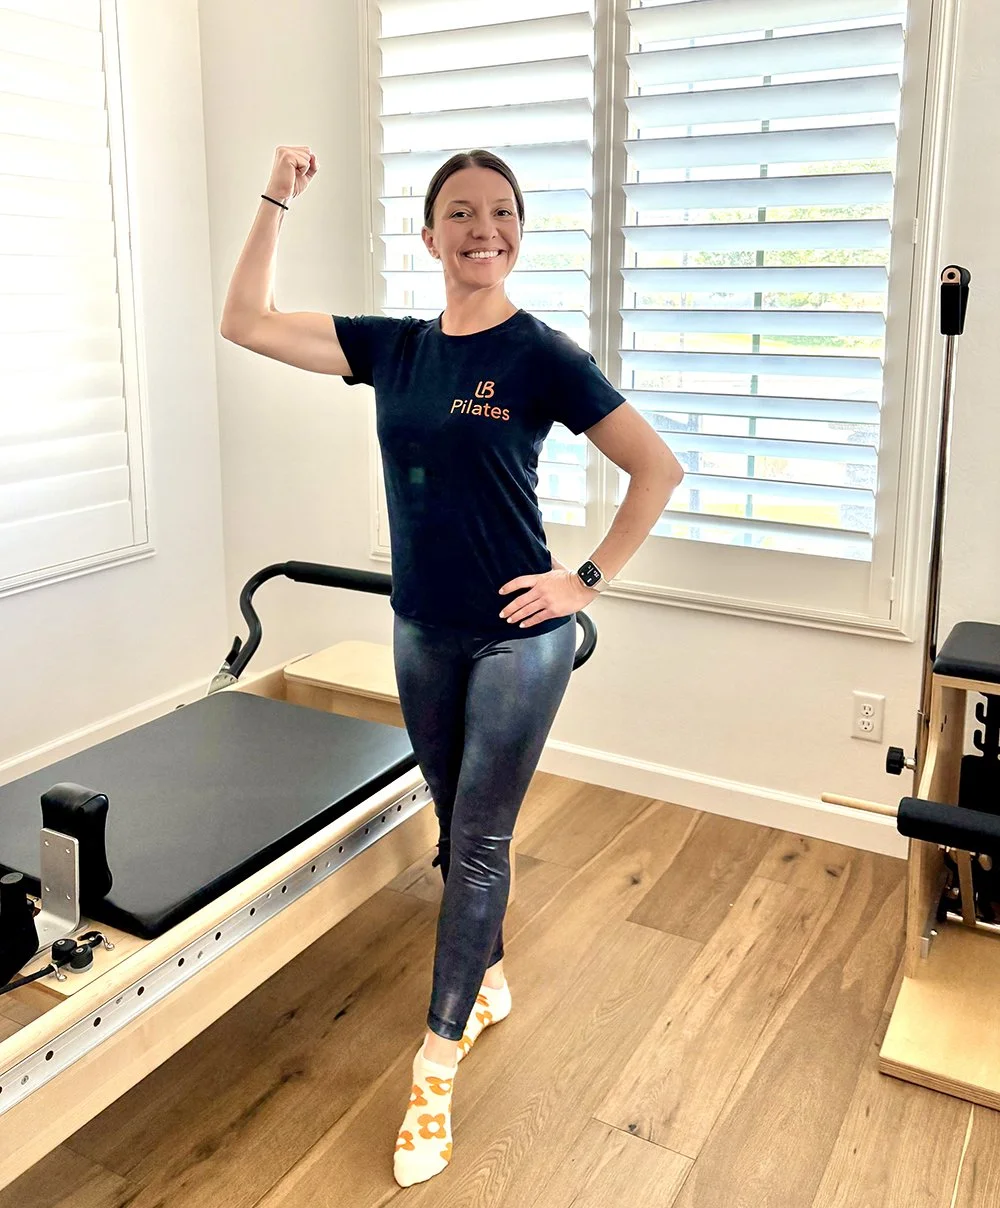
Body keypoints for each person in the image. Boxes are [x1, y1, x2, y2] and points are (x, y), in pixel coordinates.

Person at [221, 144, 683, 1187]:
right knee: (452, 814)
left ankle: (433, 1065)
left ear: (519, 232)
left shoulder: (543, 355)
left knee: (477, 840)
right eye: (462, 213)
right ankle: (489, 973)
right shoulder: (394, 347)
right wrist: (275, 199)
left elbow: (655, 466)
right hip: (422, 623)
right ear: (429, 237)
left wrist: (586, 578)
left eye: (503, 212)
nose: (485, 228)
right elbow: (244, 321)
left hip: (522, 635)